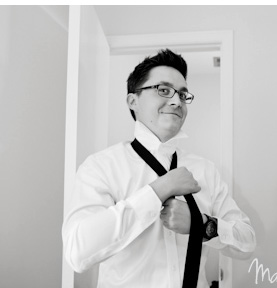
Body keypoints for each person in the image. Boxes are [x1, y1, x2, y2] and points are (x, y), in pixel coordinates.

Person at [62, 49, 255, 288]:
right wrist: (158, 191)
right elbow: (77, 252)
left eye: (183, 95)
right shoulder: (101, 166)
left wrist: (201, 224)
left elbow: (247, 242)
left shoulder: (205, 170)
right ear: (133, 101)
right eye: (163, 90)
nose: (176, 101)